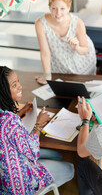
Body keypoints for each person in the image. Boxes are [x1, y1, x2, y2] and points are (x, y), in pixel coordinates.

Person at [0, 66, 74, 194]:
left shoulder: (6, 118)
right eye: (14, 85)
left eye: (18, 82)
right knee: (70, 168)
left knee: (57, 155)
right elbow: (33, 151)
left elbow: (5, 129)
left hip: (4, 179)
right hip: (20, 185)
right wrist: (38, 123)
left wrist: (21, 112)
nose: (20, 87)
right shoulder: (11, 122)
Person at [35, 0, 97, 85]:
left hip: (81, 63)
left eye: (62, 8)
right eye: (54, 8)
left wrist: (77, 47)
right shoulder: (40, 23)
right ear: (49, 7)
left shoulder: (78, 23)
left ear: (68, 7)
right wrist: (47, 76)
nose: (58, 13)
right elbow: (45, 53)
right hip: (58, 65)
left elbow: (85, 49)